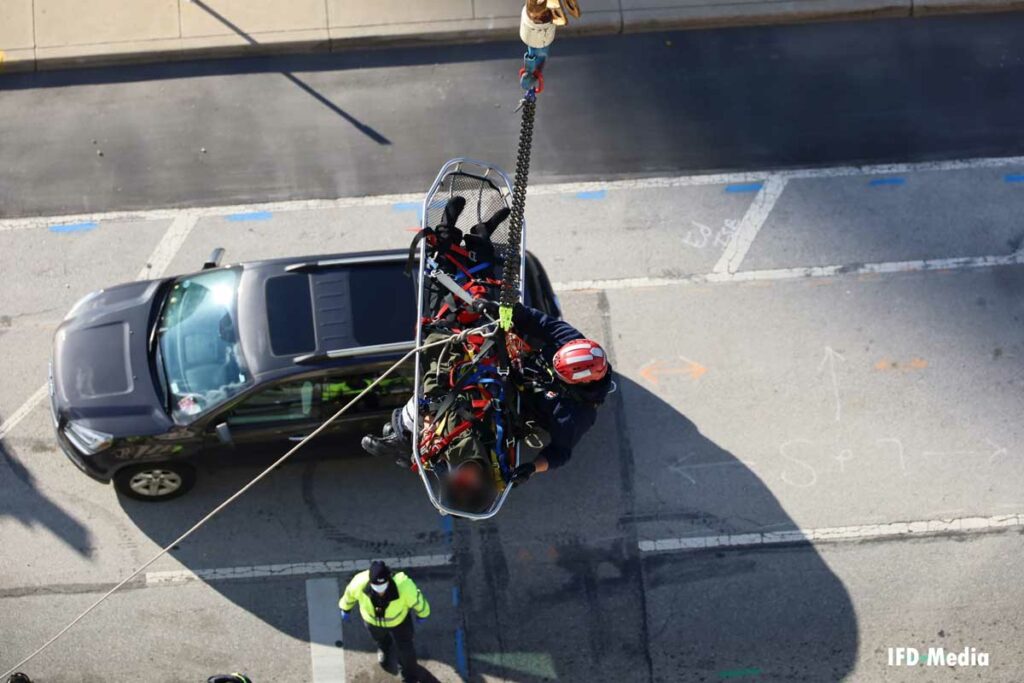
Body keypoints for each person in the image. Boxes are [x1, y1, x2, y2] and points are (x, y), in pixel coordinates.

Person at [506, 302, 613, 485]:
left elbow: (559, 452)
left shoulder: (575, 416)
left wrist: (532, 468)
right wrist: (509, 312)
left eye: (559, 374)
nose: (553, 371)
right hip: (519, 366)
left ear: (582, 381)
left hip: (525, 404)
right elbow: (538, 321)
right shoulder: (570, 340)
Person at [339, 560, 430, 683]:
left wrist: (423, 613)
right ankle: (384, 647)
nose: (380, 591)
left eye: (383, 587)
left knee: (406, 651)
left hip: (400, 622)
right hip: (373, 622)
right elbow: (349, 595)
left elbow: (418, 600)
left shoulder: (404, 586)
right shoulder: (359, 583)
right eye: (376, 587)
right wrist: (345, 608)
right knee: (380, 639)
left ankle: (409, 677)